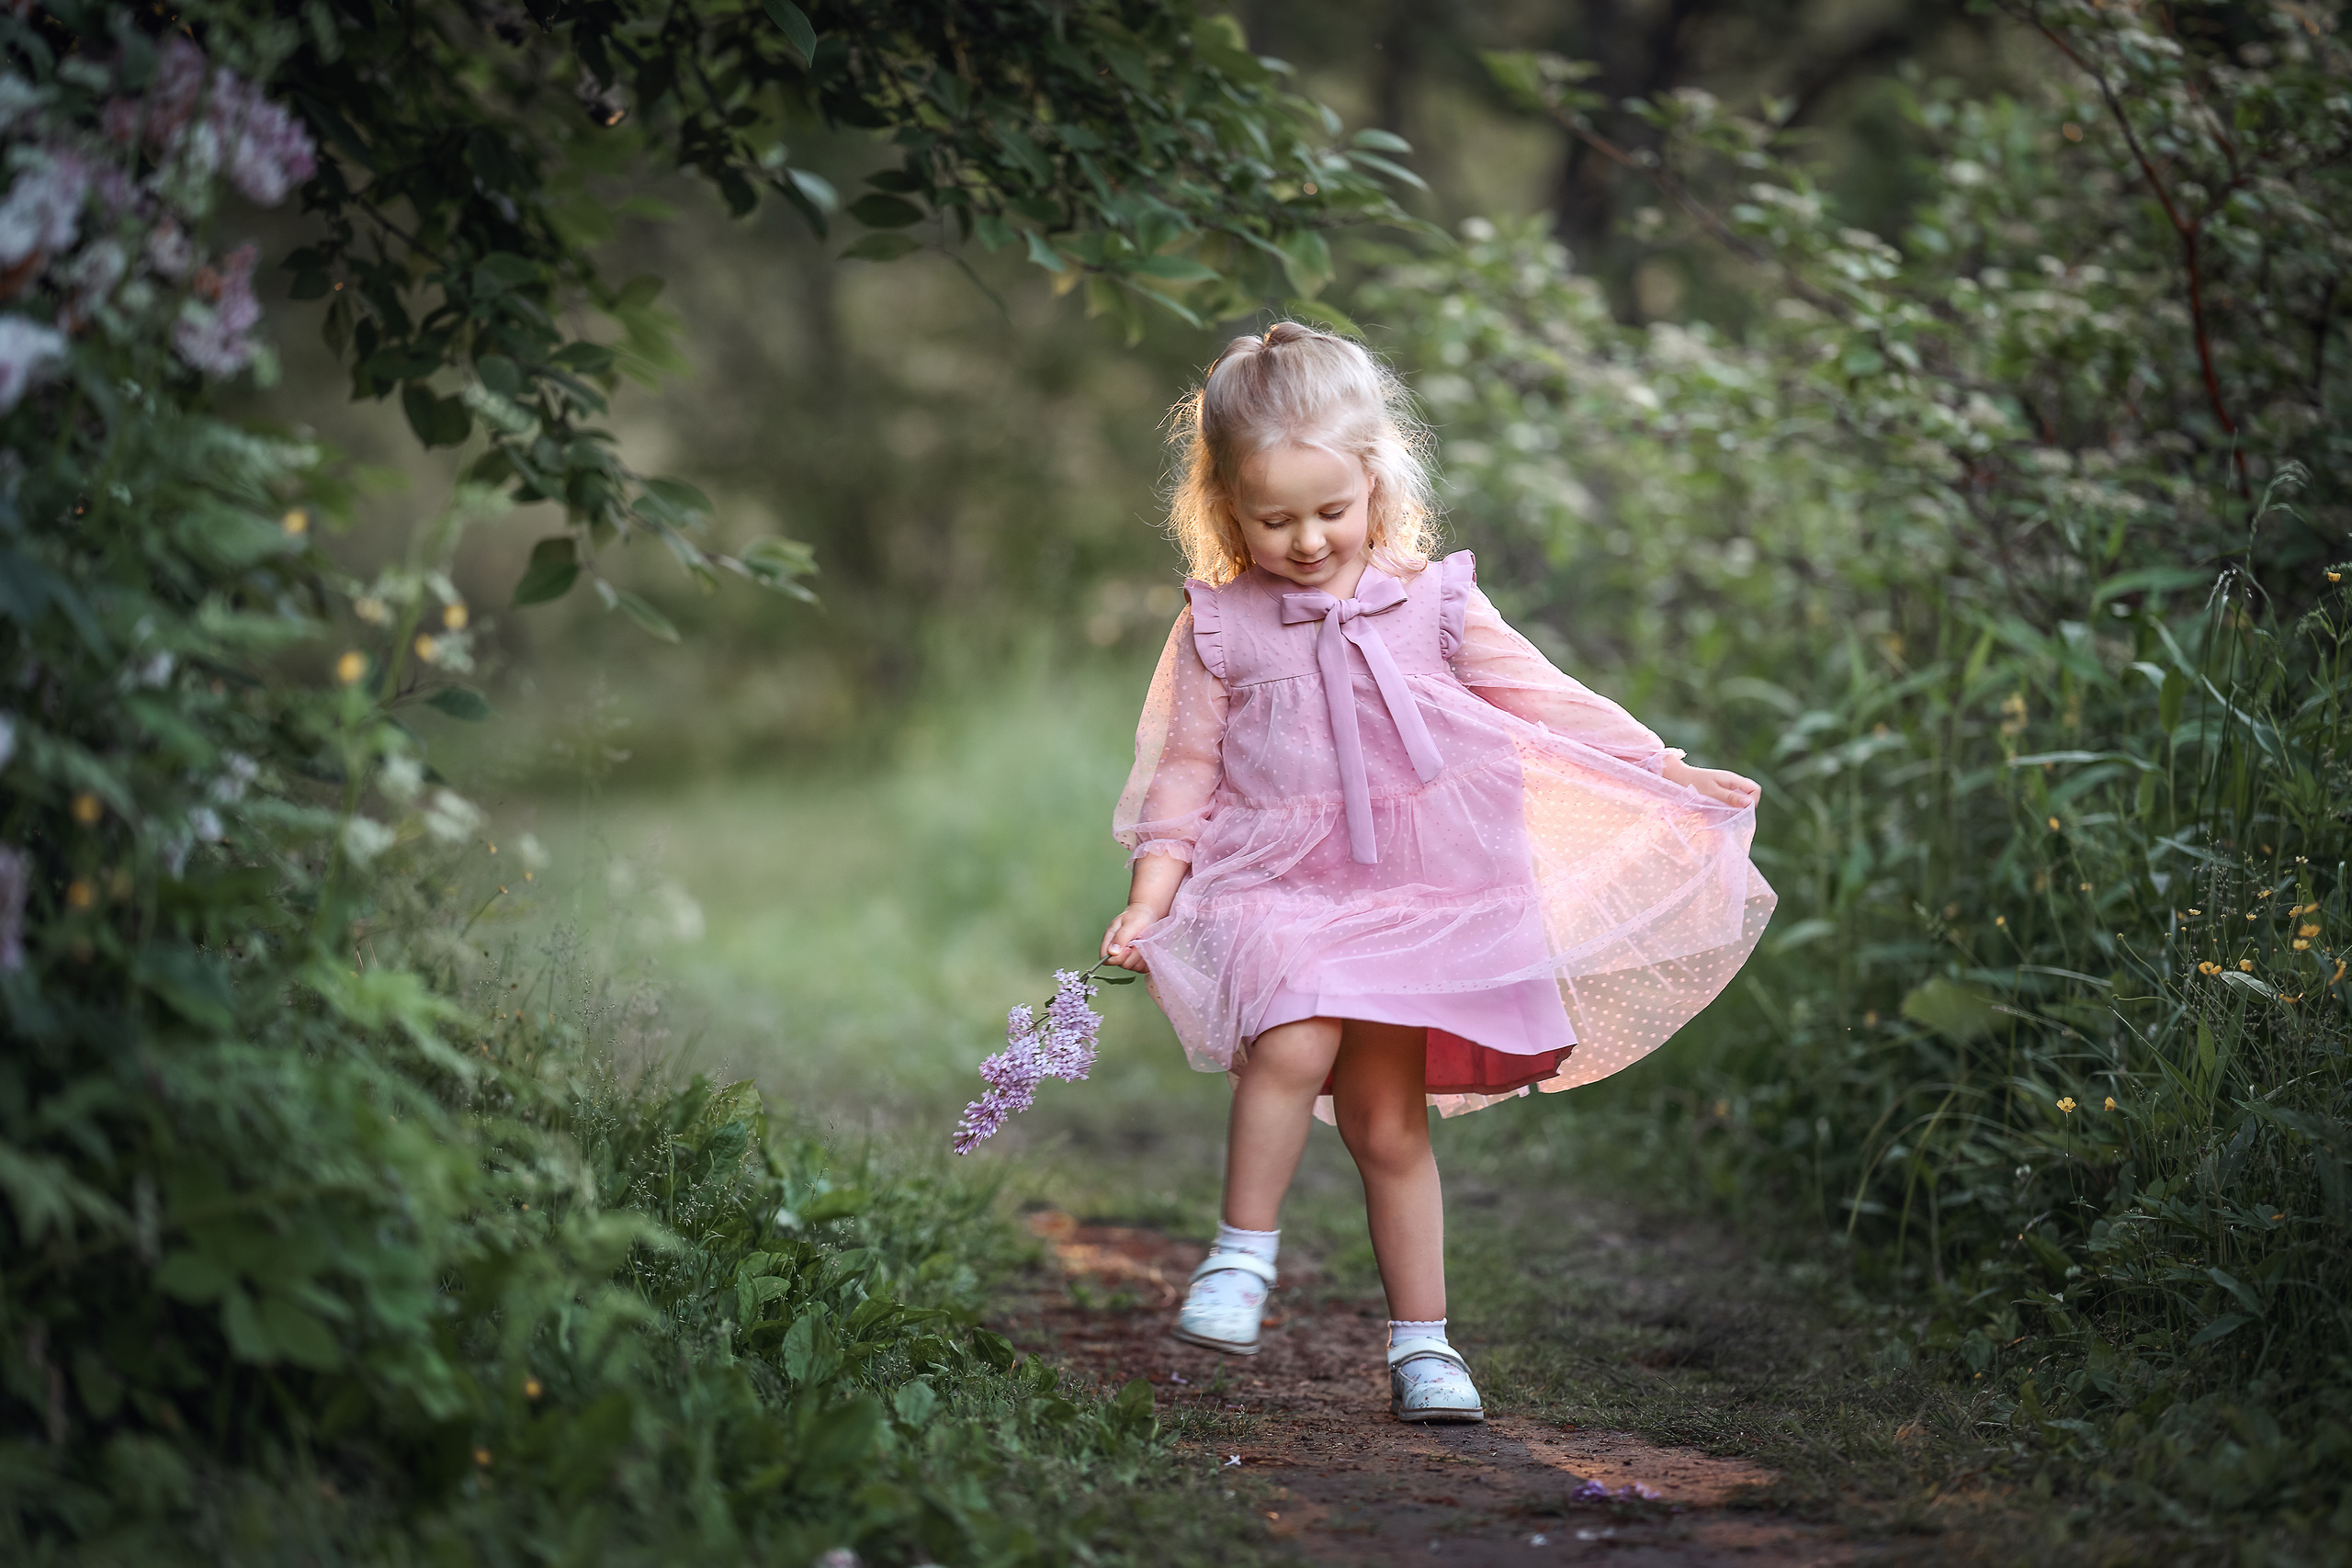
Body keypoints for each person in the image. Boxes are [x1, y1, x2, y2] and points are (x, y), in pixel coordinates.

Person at [1101, 322, 1776, 1423]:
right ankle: (1239, 1256)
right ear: (1227, 508)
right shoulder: (1220, 626)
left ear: (1375, 483)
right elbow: (1184, 772)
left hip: (1421, 890)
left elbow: (1544, 696)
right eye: (1274, 520)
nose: (1308, 540)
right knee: (1292, 1033)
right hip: (1279, 879)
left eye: (1330, 511)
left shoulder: (1438, 601)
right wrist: (1150, 895)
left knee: (1386, 1124)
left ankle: (1426, 1348)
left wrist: (1661, 765)